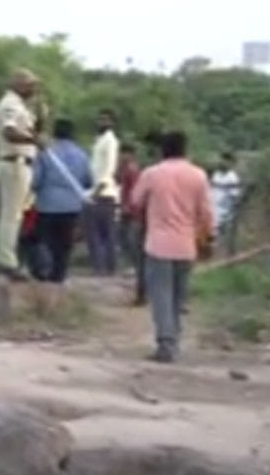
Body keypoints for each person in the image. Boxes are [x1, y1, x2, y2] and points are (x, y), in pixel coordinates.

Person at [129, 131, 212, 363]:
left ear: (162, 150)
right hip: (187, 244)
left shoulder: (152, 173)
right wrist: (208, 239)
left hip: (158, 244)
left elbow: (135, 201)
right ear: (185, 149)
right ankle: (174, 339)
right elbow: (206, 213)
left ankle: (166, 343)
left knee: (161, 295)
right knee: (178, 297)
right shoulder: (198, 175)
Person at [0, 69, 41, 281]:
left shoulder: (21, 106)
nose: (33, 89)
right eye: (30, 85)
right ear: (19, 85)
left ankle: (12, 257)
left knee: (18, 215)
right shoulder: (10, 105)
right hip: (15, 163)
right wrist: (33, 140)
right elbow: (9, 132)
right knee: (11, 215)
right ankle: (6, 261)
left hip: (23, 163)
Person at [31, 119, 94, 283]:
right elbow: (88, 181)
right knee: (64, 243)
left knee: (45, 240)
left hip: (47, 205)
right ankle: (59, 276)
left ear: (55, 133)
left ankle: (44, 271)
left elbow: (36, 180)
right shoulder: (82, 155)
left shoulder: (45, 154)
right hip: (72, 206)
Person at [85, 109, 121, 275]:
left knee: (105, 233)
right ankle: (99, 267)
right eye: (100, 119)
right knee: (96, 234)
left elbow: (109, 167)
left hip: (104, 193)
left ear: (112, 123)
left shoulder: (110, 141)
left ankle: (108, 267)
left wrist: (99, 188)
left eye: (106, 120)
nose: (102, 122)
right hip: (95, 191)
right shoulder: (99, 140)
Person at [116, 142, 146, 304]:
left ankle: (134, 267)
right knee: (126, 240)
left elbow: (134, 191)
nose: (121, 156)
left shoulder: (132, 170)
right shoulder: (127, 169)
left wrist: (128, 207)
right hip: (128, 210)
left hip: (131, 212)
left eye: (123, 153)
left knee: (130, 241)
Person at [210, 152, 243, 255]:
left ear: (231, 163)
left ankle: (224, 255)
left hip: (225, 210)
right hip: (213, 208)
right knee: (212, 235)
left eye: (226, 161)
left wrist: (228, 212)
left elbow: (234, 196)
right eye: (222, 160)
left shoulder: (232, 177)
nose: (223, 162)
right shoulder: (216, 175)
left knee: (223, 236)